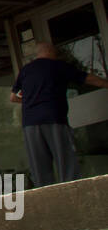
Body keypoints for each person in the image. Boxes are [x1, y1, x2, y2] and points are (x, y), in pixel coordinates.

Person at [10, 41, 108, 186]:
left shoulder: (26, 70)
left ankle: (46, 199)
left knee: (39, 167)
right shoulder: (58, 66)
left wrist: (32, 99)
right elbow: (90, 79)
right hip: (53, 118)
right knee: (65, 162)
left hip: (30, 124)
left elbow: (13, 97)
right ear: (51, 51)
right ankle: (72, 194)